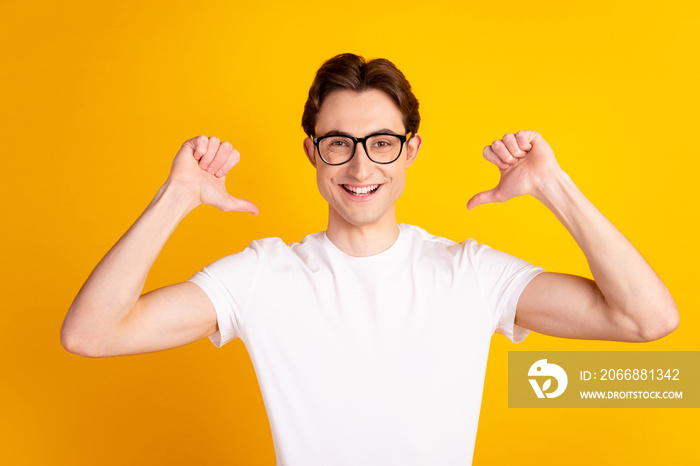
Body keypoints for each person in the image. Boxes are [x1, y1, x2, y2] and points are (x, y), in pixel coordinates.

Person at [61, 53, 678, 465]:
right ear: (312, 152)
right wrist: (176, 199)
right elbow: (92, 333)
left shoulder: (469, 273)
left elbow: (645, 319)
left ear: (410, 151)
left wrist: (553, 186)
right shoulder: (261, 276)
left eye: (381, 143)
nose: (361, 168)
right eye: (339, 144)